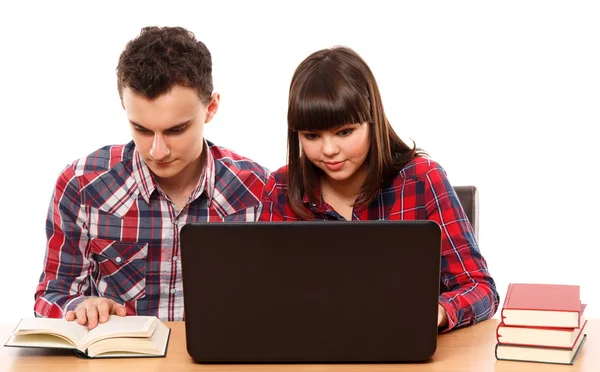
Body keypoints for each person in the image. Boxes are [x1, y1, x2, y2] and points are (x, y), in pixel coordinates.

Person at [35, 26, 269, 329]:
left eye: (176, 130)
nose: (158, 151)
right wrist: (81, 307)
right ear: (124, 107)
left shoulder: (259, 189)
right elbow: (52, 295)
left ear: (211, 108)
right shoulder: (81, 185)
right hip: (115, 371)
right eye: (142, 129)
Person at [259, 46, 499, 331]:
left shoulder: (423, 180)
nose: (329, 149)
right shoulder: (281, 188)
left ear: (372, 120)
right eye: (311, 136)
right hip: (311, 363)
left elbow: (479, 288)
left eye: (345, 132)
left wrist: (436, 312)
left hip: (404, 359)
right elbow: (263, 297)